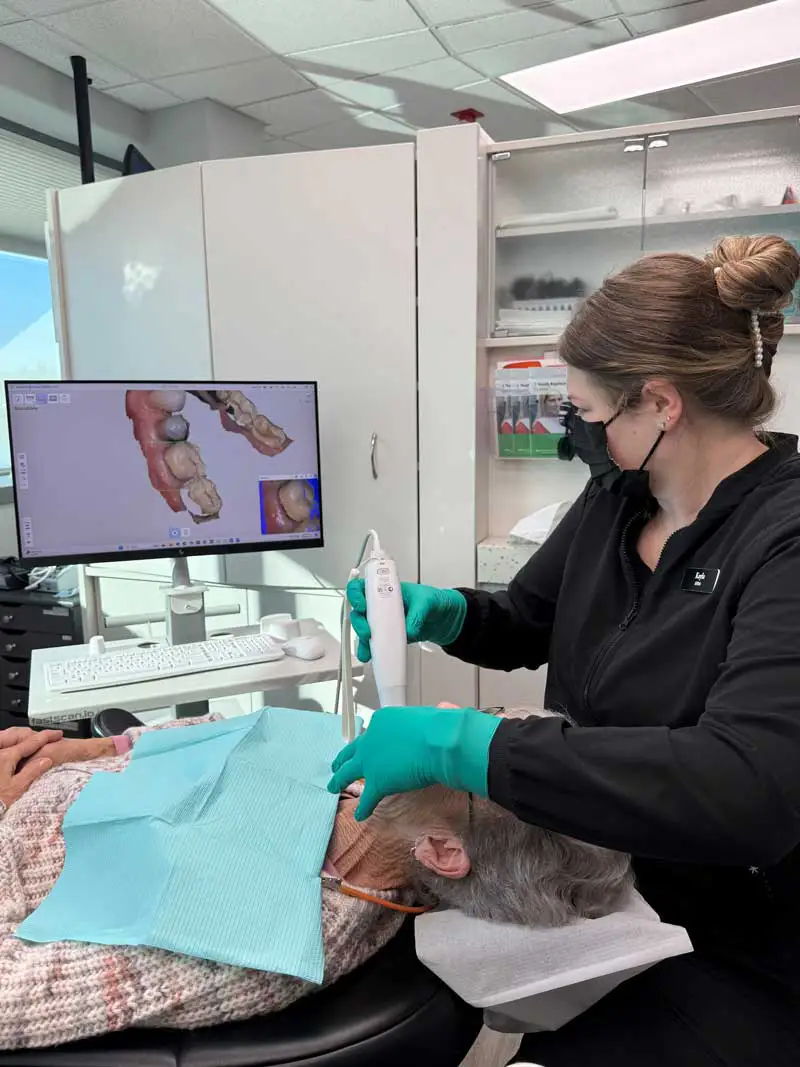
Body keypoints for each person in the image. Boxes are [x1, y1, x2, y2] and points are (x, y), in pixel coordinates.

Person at [331, 235, 800, 1065]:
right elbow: (526, 618)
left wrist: (469, 745)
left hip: (735, 944)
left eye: (586, 413)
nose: (575, 433)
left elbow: (749, 782)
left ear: (659, 402)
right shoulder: (619, 499)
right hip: (598, 895)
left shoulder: (785, 539)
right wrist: (442, 615)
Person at [0, 713, 629, 1050]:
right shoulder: (339, 756)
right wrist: (78, 752)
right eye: (482, 713)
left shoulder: (272, 944)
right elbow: (192, 734)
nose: (440, 711)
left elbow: (12, 1003)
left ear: (441, 851)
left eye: (462, 748)